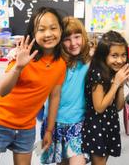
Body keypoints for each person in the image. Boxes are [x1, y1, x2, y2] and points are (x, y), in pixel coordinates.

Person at [0, 7, 67, 165]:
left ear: (60, 30)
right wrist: (18, 67)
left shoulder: (60, 64)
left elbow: (55, 96)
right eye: (41, 29)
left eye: (53, 28)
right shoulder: (22, 54)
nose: (48, 34)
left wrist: (49, 130)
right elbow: (2, 91)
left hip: (26, 127)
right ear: (33, 33)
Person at [40, 16, 91, 165]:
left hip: (78, 124)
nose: (73, 43)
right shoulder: (56, 63)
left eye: (77, 37)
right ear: (60, 41)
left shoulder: (88, 61)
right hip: (55, 123)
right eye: (67, 39)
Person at [82, 30, 129, 165]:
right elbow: (99, 107)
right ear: (104, 56)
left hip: (110, 124)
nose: (120, 60)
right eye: (114, 55)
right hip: (96, 127)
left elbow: (118, 107)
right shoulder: (97, 74)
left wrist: (121, 85)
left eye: (123, 55)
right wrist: (116, 83)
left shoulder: (112, 72)